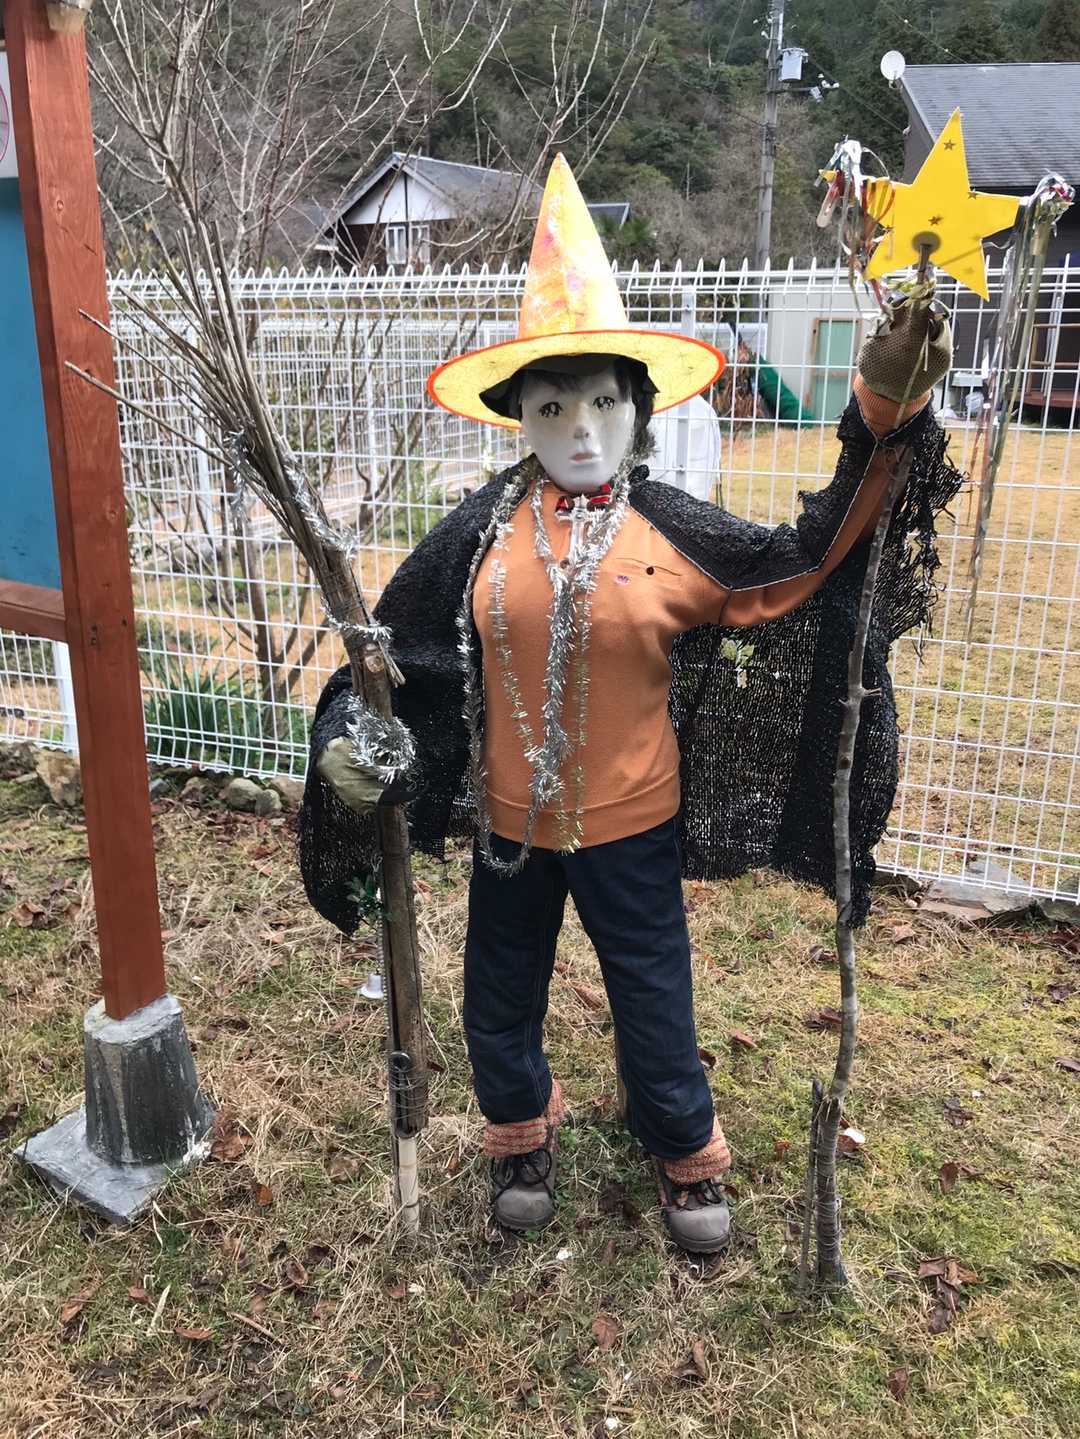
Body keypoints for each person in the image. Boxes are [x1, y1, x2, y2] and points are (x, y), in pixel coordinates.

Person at [299, 155, 958, 1253]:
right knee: (497, 989)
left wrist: (884, 412)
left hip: (633, 821)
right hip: (509, 827)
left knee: (652, 994)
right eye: (553, 405)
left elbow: (803, 563)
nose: (581, 427)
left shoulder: (667, 530)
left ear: (637, 409)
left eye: (604, 401)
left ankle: (685, 1147)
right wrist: (351, 737)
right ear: (520, 415)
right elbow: (390, 655)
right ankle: (519, 1131)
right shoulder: (475, 535)